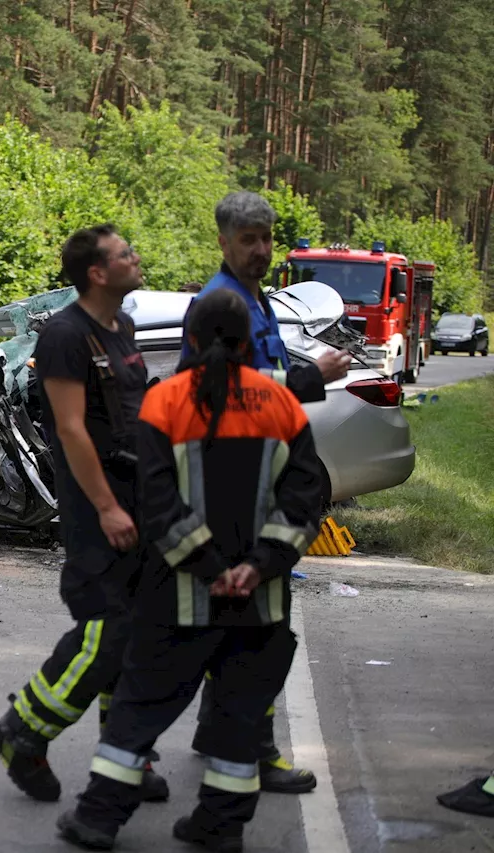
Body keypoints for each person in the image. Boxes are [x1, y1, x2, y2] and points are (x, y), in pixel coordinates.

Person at [58, 287, 324, 852]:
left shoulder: (166, 402)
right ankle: (220, 827)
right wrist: (256, 567)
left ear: (191, 341)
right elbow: (305, 499)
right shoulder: (282, 405)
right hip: (260, 604)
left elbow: (155, 502)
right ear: (251, 343)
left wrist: (208, 567)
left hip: (177, 597)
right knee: (238, 719)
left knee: (138, 710)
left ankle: (98, 818)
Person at [0, 224, 168, 804]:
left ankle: (125, 757)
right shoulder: (67, 334)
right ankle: (22, 732)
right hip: (97, 505)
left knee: (138, 634)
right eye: (125, 254)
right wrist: (108, 507)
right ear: (96, 271)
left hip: (135, 497)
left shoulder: (122, 328)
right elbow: (69, 428)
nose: (136, 259)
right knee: (108, 629)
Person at [182, 191, 350, 795]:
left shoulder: (255, 300)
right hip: (233, 487)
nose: (260, 250)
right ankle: (256, 752)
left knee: (239, 622)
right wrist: (310, 376)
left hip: (259, 479)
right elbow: (215, 389)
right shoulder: (221, 301)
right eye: (248, 239)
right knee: (261, 629)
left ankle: (217, 732)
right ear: (224, 241)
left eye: (267, 238)